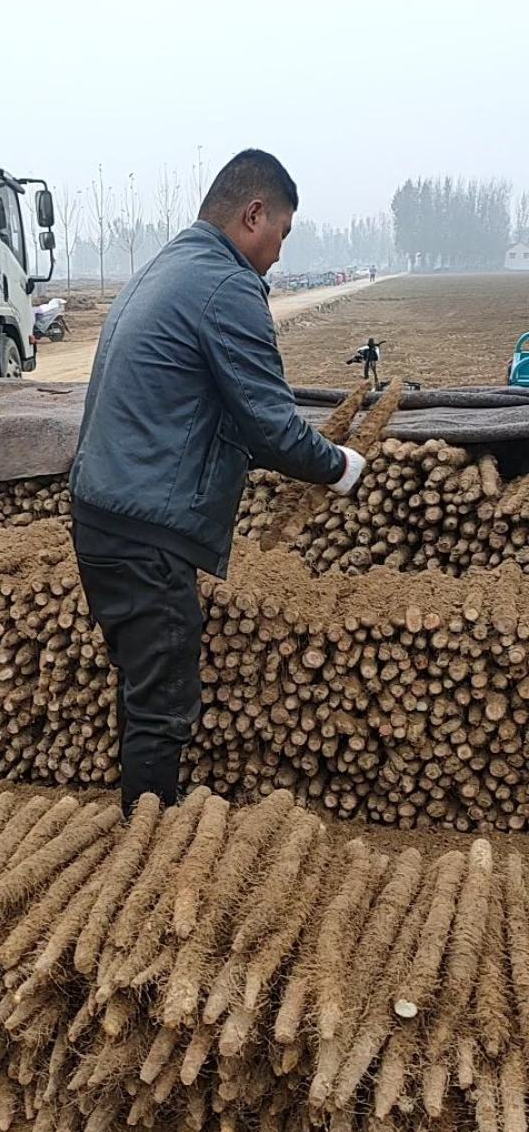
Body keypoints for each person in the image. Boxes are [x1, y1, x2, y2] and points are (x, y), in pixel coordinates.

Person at [70, 149, 366, 818]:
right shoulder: (225, 287)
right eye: (281, 236)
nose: (279, 255)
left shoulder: (172, 265)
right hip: (143, 532)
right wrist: (342, 467)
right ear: (253, 213)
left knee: (146, 688)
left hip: (102, 514)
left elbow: (200, 411)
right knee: (164, 703)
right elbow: (269, 426)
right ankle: (145, 846)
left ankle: (138, 820)